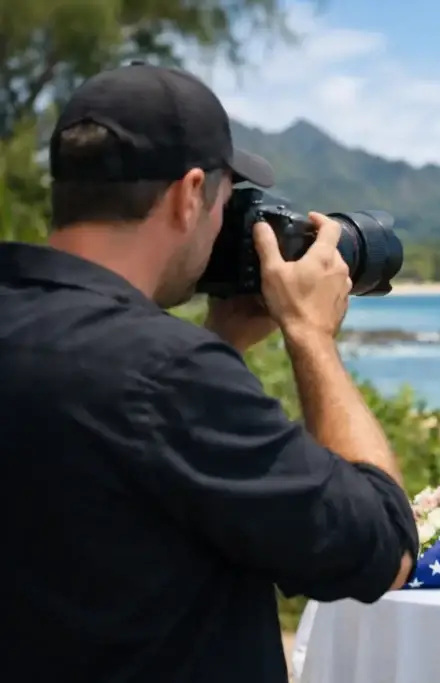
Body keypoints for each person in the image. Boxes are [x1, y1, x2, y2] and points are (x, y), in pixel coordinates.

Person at [0, 64, 416, 683]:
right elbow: (379, 548)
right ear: (190, 193)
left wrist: (219, 342)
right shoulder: (168, 375)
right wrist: (310, 336)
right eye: (229, 201)